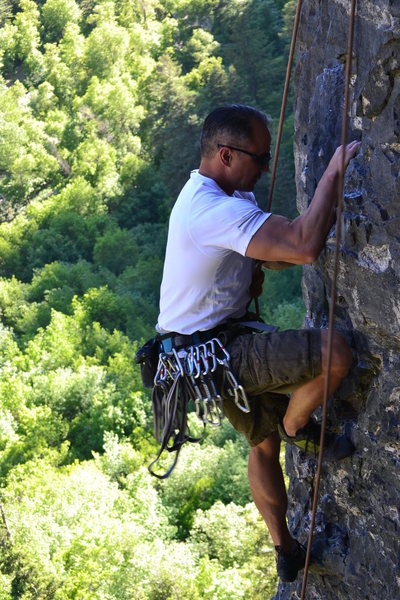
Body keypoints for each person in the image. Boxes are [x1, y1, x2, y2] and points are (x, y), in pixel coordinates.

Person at [156, 104, 360, 582]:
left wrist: (268, 259)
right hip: (219, 351)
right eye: (261, 159)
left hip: (192, 354)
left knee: (261, 445)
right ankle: (295, 421)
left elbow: (282, 255)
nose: (266, 168)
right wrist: (332, 173)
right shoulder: (213, 210)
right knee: (336, 354)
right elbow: (304, 247)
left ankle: (285, 550)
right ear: (225, 154)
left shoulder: (215, 194)